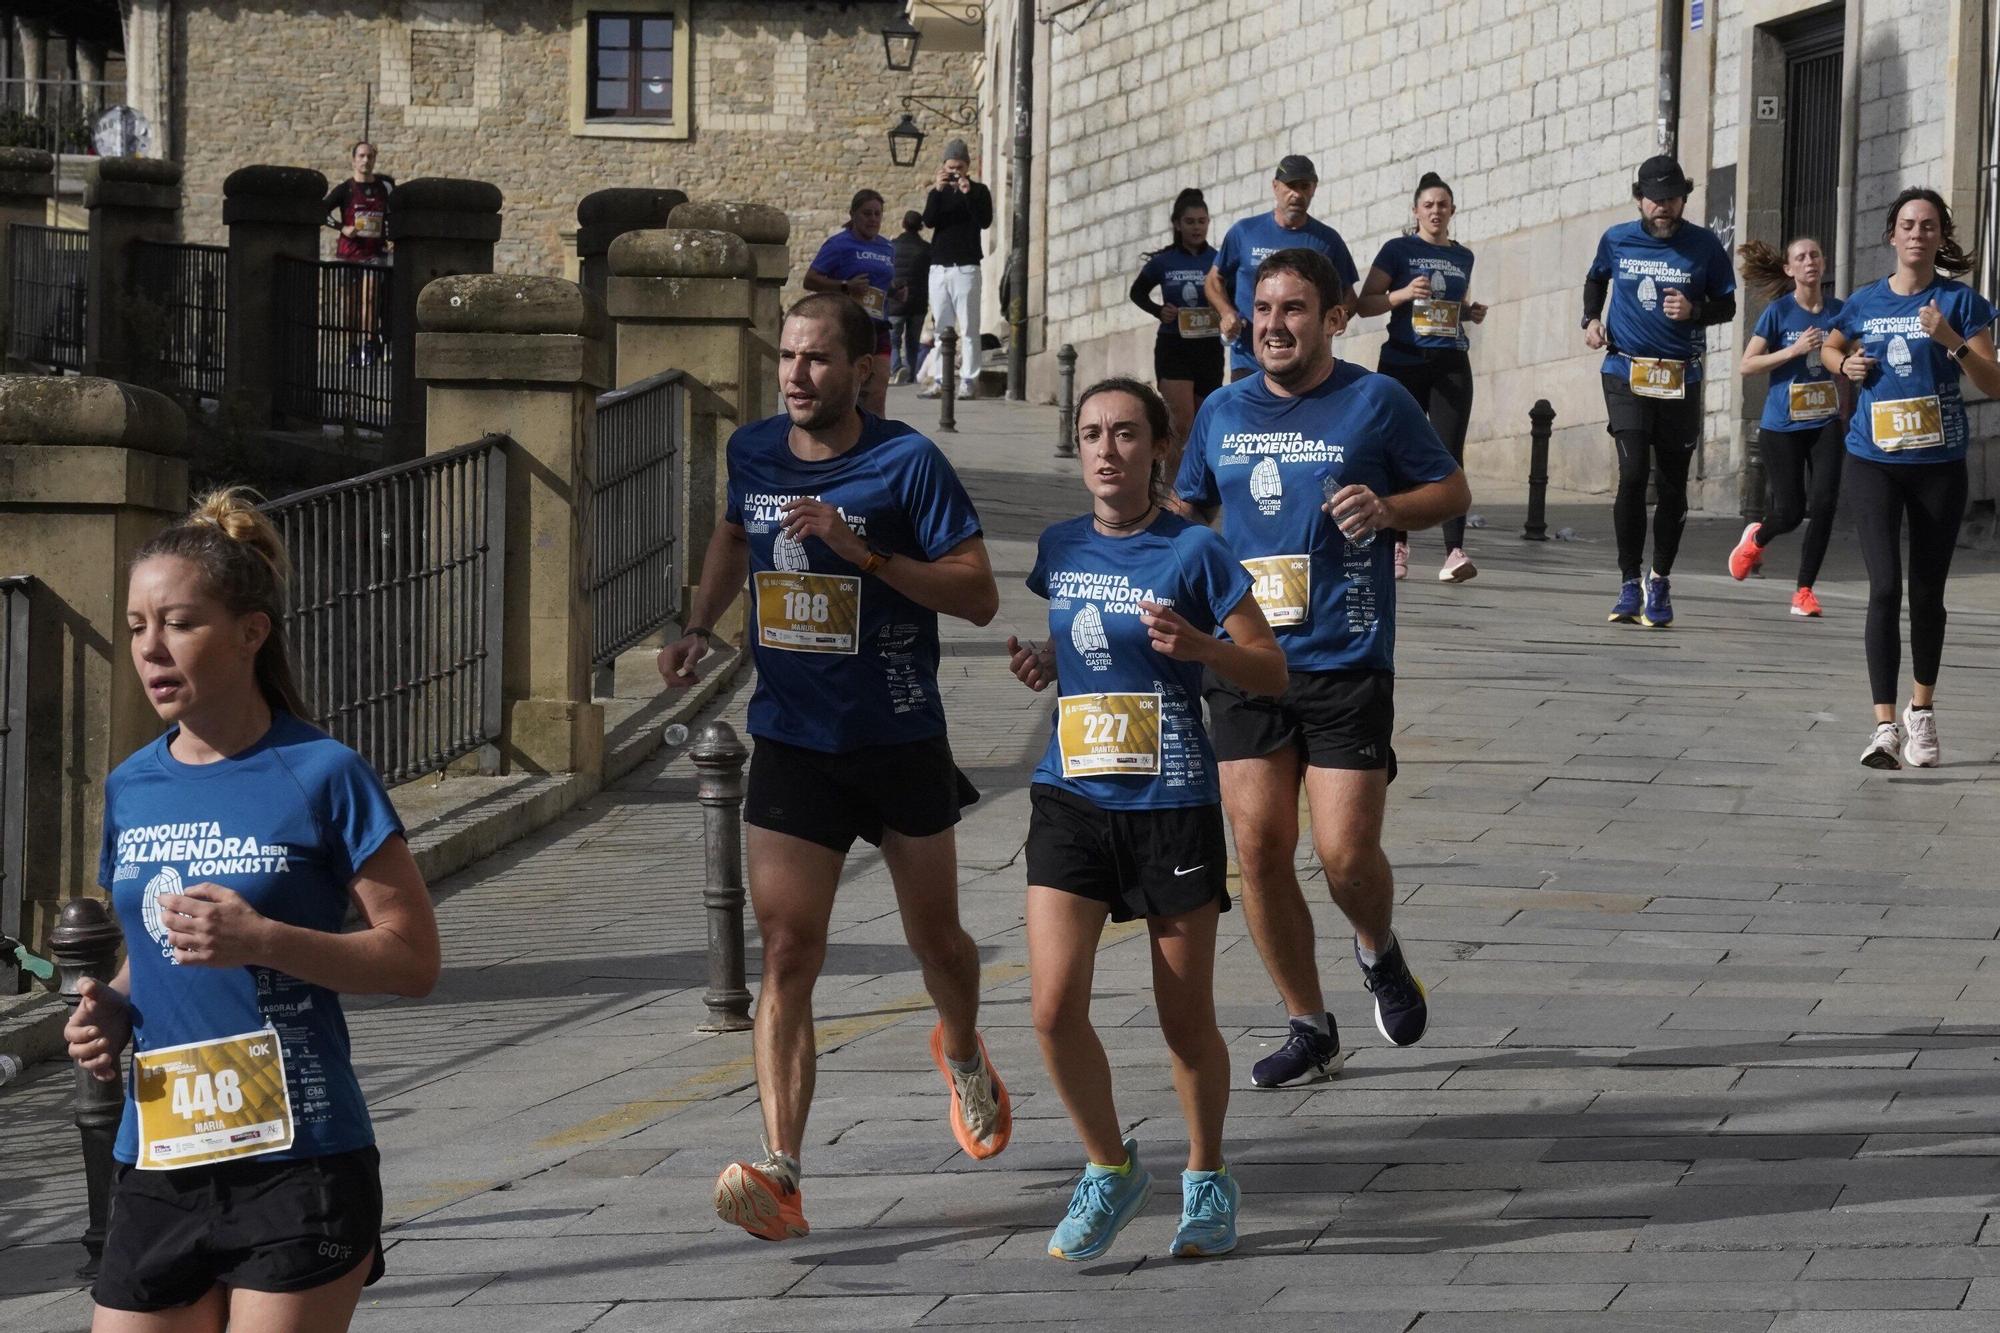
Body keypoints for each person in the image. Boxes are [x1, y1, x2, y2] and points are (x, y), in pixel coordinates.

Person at [658, 293, 1010, 1241]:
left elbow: (977, 596)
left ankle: (965, 1050)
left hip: (897, 734)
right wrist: (700, 626)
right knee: (787, 950)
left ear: (862, 369)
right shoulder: (755, 451)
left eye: (818, 360)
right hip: (793, 738)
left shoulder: (907, 461)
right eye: (787, 357)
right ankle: (783, 1171)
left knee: (938, 942)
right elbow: (736, 531)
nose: (797, 376)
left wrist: (865, 552)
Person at [64, 490, 441, 1330]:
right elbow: (155, 944)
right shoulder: (132, 785)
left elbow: (413, 958)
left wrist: (264, 939)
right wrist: (116, 1004)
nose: (151, 649)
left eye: (179, 623)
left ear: (250, 632)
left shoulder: (322, 771)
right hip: (160, 1152)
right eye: (135, 627)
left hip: (298, 1158)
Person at [1173, 249, 1470, 1087]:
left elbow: (1452, 490)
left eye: (1293, 309)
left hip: (1345, 659)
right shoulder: (1223, 412)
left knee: (1343, 855)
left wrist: (1387, 508)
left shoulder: (1375, 401)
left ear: (1333, 317)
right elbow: (1185, 509)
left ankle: (1378, 948)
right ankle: (1308, 1022)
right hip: (1243, 659)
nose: (1273, 324)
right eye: (1263, 308)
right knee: (1261, 849)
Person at [1006, 378, 1286, 1262]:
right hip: (1072, 793)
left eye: (1125, 434)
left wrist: (1204, 650)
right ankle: (1110, 1167)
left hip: (1170, 803)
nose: (1107, 450)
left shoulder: (1196, 552)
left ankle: (1207, 1177)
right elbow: (1087, 632)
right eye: (1091, 433)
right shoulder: (1058, 547)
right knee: (1052, 1009)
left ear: (1157, 449)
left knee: (1183, 1018)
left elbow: (1271, 670)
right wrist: (1050, 657)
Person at [1820, 188, 2000, 770]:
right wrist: (1842, 365)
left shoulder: (1961, 302)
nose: (1917, 234)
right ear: (1891, 236)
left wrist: (1951, 343)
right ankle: (1883, 726)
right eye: (1907, 224)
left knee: (1926, 593)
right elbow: (1831, 345)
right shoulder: (1866, 301)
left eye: (1927, 225)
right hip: (1873, 461)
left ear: (1941, 236)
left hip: (1938, 467)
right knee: (1882, 589)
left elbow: (1995, 383)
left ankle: (1921, 712)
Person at [1583, 154, 1736, 628]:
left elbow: (1727, 305)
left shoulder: (1705, 246)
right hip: (1626, 370)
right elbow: (1595, 280)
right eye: (1654, 200)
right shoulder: (1617, 239)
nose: (1663, 209)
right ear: (1639, 200)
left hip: (1679, 377)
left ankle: (1660, 579)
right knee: (1632, 477)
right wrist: (1590, 320)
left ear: (1683, 199)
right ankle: (1629, 582)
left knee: (1671, 484)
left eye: (1671, 200)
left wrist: (1694, 311)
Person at [1358, 171, 1488, 584]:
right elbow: (1365, 303)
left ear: (1452, 211)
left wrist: (1469, 313)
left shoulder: (1462, 256)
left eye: (1443, 205)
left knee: (1450, 452)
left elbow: (1452, 305)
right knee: (1396, 449)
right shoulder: (1398, 250)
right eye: (1428, 205)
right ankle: (1397, 542)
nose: (1436, 211)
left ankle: (1454, 551)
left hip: (1449, 361)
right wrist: (1400, 295)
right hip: (1404, 359)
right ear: (1416, 212)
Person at [1729, 237, 1846, 617]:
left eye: (1815, 254)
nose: (1809, 262)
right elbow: (1748, 364)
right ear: (1789, 270)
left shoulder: (1839, 313)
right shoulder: (1779, 313)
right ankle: (1756, 538)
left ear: (1823, 263)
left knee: (1826, 504)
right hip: (1782, 426)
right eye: (1800, 257)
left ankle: (1804, 591)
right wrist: (1793, 351)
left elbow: (1854, 351)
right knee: (1791, 512)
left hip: (1825, 421)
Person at [1205, 155, 1359, 384]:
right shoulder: (1244, 232)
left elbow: (1349, 296)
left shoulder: (1327, 241)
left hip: (1304, 366)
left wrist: (1339, 316)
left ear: (1314, 189)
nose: (1296, 194)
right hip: (1249, 361)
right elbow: (1213, 281)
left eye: (1304, 186)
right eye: (1290, 186)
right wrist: (1227, 313)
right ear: (1275, 186)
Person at [1129, 189, 1224, 462]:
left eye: (1202, 221)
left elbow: (1233, 294)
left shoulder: (1218, 260)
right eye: (1190, 221)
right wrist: (1160, 311)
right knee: (1181, 422)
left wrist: (1227, 313)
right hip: (1175, 346)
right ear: (1178, 224)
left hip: (1209, 348)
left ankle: (1195, 483)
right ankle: (1171, 487)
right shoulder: (1164, 261)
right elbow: (1137, 293)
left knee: (1203, 422)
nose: (1197, 227)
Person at [805, 189, 897, 418]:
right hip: (847, 326)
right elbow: (810, 279)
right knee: (847, 391)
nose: (873, 219)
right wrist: (846, 286)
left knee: (877, 390)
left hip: (877, 326)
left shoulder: (887, 247)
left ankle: (876, 445)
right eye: (867, 213)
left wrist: (896, 291)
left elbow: (883, 284)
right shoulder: (838, 245)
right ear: (853, 215)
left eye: (877, 214)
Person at [920, 140, 993, 401]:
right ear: (943, 167)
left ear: (967, 166)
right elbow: (928, 221)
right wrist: (938, 190)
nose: (954, 172)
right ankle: (941, 379)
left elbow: (985, 221)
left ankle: (969, 380)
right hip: (939, 267)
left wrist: (968, 192)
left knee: (969, 329)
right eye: (950, 167)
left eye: (959, 167)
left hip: (966, 267)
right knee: (942, 328)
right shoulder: (937, 193)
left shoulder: (979, 191)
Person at [321, 141, 394, 367]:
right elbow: (320, 211)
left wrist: (392, 238)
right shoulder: (346, 189)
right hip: (349, 253)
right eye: (361, 156)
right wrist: (342, 227)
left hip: (375, 253)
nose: (366, 160)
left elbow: (394, 215)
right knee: (351, 306)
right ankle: (353, 348)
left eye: (370, 156)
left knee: (370, 299)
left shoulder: (385, 188)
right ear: (353, 160)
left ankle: (370, 345)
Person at [888, 210, 932, 385]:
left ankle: (897, 368)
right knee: (913, 342)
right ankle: (912, 373)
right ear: (920, 226)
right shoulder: (927, 249)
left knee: (893, 340)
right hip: (918, 301)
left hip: (896, 300)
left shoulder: (892, 247)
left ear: (903, 224)